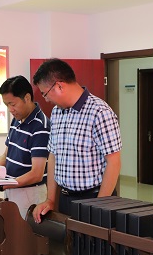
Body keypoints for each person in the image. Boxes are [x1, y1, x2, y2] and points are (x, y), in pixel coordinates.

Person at [31, 58, 122, 222]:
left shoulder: (100, 112)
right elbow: (53, 156)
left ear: (59, 86)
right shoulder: (57, 113)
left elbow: (114, 163)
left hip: (94, 198)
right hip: (65, 199)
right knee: (68, 239)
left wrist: (99, 207)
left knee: (91, 240)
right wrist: (50, 199)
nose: (46, 99)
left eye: (45, 93)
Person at [0, 75, 50, 219]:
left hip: (29, 194)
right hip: (12, 188)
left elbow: (36, 174)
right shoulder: (17, 120)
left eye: (12, 104)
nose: (10, 109)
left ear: (27, 98)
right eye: (6, 105)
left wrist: (5, 184)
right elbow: (6, 156)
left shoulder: (40, 126)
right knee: (9, 229)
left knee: (24, 232)